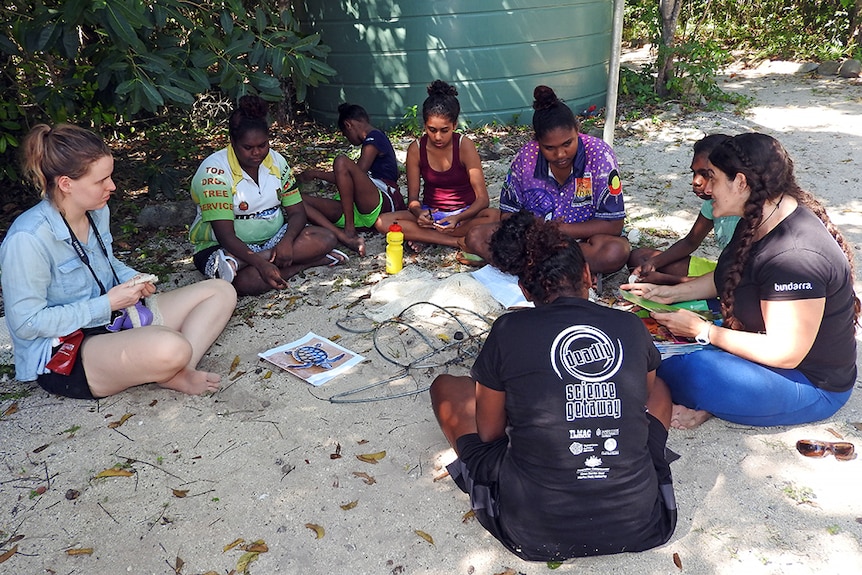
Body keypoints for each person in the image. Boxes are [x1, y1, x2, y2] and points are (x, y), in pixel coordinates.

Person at [430, 211, 677, 561]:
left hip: (533, 531)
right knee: (661, 387)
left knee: (446, 386)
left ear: (523, 289)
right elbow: (645, 396)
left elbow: (489, 433)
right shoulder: (629, 325)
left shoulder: (508, 331)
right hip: (642, 521)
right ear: (589, 276)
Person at [622, 133, 859, 429]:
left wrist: (704, 331)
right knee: (657, 343)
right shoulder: (758, 215)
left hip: (808, 383)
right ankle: (715, 401)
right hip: (761, 352)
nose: (707, 189)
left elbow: (785, 352)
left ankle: (711, 402)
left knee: (680, 367)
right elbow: (728, 277)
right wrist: (669, 294)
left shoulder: (796, 255)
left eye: (713, 179)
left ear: (741, 182)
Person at [0, 124, 237, 399]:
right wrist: (107, 304)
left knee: (221, 291)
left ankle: (179, 371)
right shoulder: (27, 238)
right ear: (66, 184)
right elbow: (26, 323)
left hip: (115, 318)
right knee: (172, 347)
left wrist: (133, 279)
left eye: (110, 177)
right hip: (67, 350)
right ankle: (172, 364)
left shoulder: (97, 210)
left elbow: (107, 263)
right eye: (101, 180)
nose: (111, 187)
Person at [462, 85, 630, 274]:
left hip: (581, 241)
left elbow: (614, 224)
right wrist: (536, 233)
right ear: (537, 141)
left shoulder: (600, 155)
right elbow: (508, 215)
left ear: (577, 130)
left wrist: (558, 230)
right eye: (549, 148)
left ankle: (530, 268)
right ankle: (557, 269)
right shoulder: (525, 157)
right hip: (534, 240)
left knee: (614, 252)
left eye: (568, 143)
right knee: (476, 236)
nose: (560, 154)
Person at [189, 95, 341, 296]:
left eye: (263, 145)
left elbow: (296, 212)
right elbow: (226, 236)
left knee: (326, 237)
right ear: (232, 142)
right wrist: (259, 262)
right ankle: (313, 260)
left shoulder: (277, 161)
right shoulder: (213, 172)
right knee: (245, 283)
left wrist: (286, 242)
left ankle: (259, 263)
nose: (257, 153)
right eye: (248, 147)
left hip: (274, 239)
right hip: (223, 246)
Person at [377, 80, 498, 252]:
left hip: (463, 215)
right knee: (382, 222)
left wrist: (458, 217)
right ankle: (455, 241)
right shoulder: (416, 149)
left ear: (455, 125)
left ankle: (426, 237)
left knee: (494, 216)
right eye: (432, 130)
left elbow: (483, 200)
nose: (438, 137)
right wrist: (420, 214)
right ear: (424, 125)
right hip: (431, 216)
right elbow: (412, 199)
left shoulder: (465, 146)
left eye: (444, 130)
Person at [628, 134, 738, 285]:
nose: (696, 181)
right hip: (723, 273)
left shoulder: (747, 211)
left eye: (706, 175)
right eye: (694, 173)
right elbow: (690, 242)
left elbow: (738, 281)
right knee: (641, 258)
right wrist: (654, 263)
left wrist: (669, 281)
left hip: (739, 282)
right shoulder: (713, 201)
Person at [298, 103, 405, 256]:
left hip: (382, 199)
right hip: (359, 207)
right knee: (296, 200)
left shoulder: (375, 137)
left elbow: (354, 174)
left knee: (341, 161)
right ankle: (340, 234)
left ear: (348, 124)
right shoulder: (370, 141)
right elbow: (347, 178)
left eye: (344, 133)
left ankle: (349, 229)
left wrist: (317, 173)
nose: (347, 138)